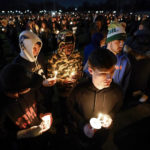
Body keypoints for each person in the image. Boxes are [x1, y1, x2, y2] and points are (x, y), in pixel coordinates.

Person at [67, 48, 123, 150]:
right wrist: (82, 124)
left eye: (112, 71)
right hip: (80, 136)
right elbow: (70, 109)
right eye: (103, 73)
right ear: (91, 70)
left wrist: (110, 118)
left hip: (102, 137)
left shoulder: (117, 92)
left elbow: (116, 109)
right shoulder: (78, 91)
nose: (109, 78)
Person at [0, 64, 53, 150]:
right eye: (27, 88)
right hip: (22, 144)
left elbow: (40, 102)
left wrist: (42, 113)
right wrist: (23, 134)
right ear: (15, 92)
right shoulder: (3, 105)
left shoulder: (29, 88)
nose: (30, 89)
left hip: (41, 138)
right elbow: (2, 134)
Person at [47, 29, 83, 133]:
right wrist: (62, 81)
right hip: (62, 92)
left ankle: (74, 123)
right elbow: (50, 77)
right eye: (66, 46)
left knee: (74, 109)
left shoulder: (77, 56)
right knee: (64, 109)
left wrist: (78, 75)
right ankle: (65, 124)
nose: (69, 48)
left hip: (75, 90)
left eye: (71, 46)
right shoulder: (54, 58)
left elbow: (81, 71)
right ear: (60, 45)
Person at [12, 30, 56, 111]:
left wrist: (50, 78)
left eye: (39, 48)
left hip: (46, 93)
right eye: (34, 48)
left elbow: (45, 71)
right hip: (34, 100)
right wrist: (41, 83)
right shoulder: (18, 64)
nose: (37, 51)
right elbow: (23, 86)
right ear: (25, 46)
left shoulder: (40, 56)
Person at [123, 29, 150, 108]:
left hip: (132, 83)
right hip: (140, 84)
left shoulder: (130, 43)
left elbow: (137, 57)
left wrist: (131, 52)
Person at [106, 21, 131, 94]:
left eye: (123, 41)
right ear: (110, 41)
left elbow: (125, 85)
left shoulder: (125, 61)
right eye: (119, 40)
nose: (122, 44)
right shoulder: (97, 56)